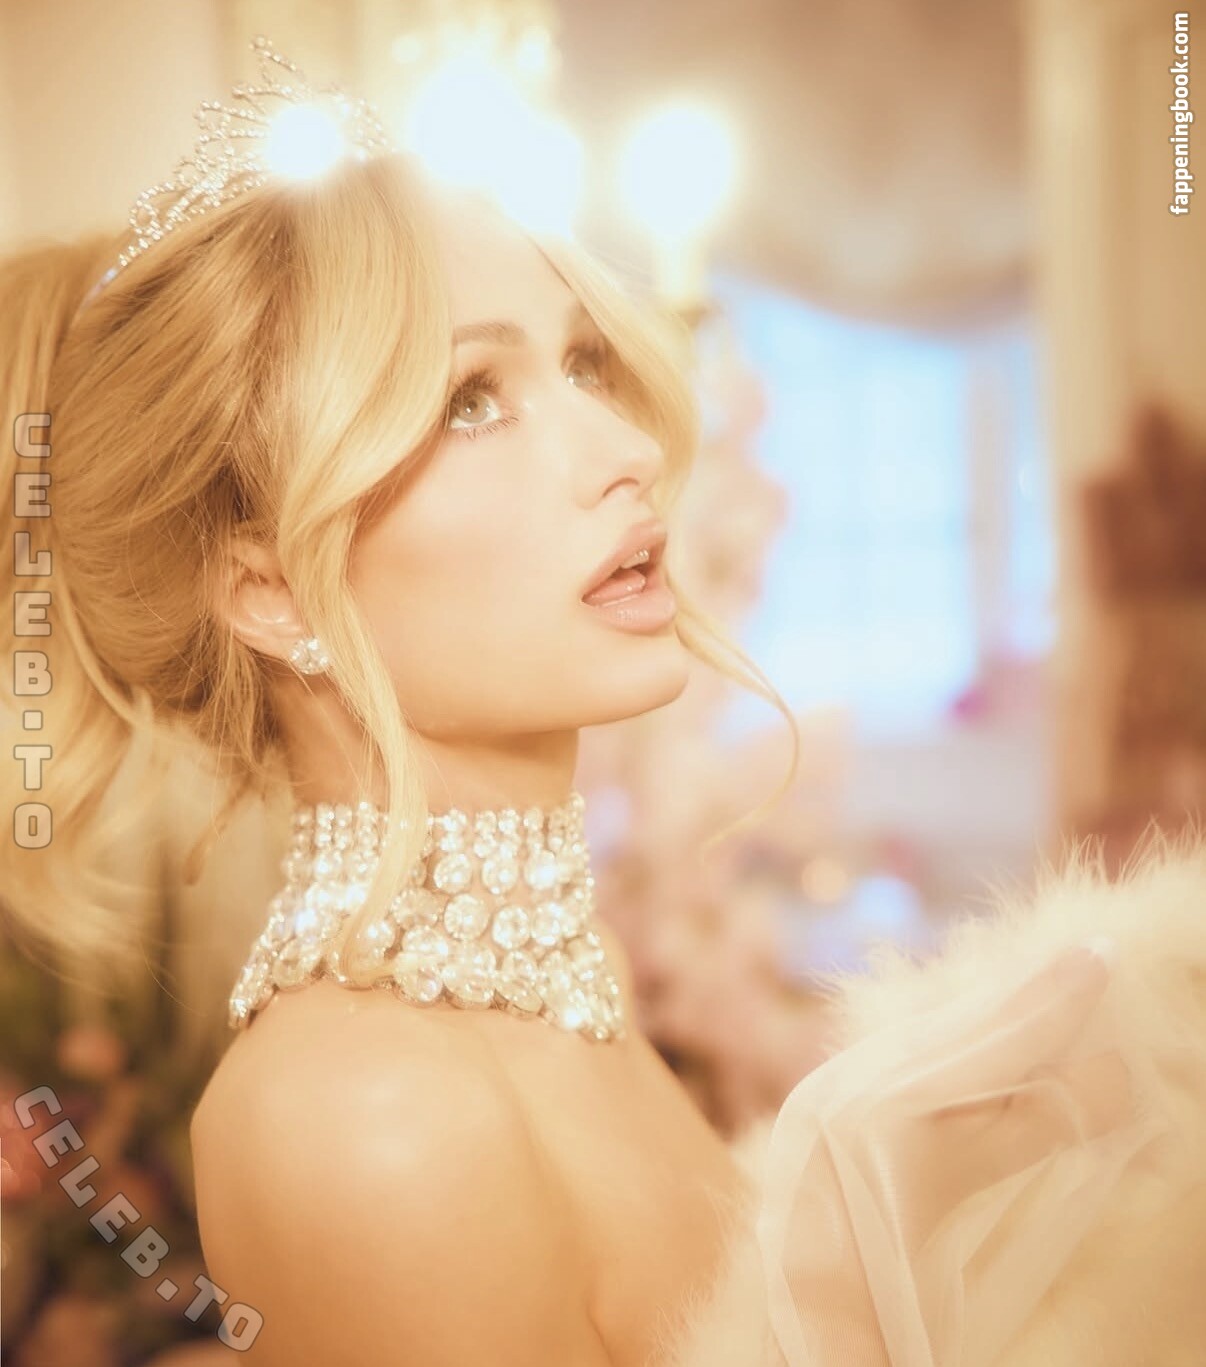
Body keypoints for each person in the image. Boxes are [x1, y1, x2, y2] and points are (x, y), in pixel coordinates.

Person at [4, 37, 1206, 1367]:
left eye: (581, 364)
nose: (631, 448)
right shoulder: (363, 1113)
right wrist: (861, 1302)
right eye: (472, 400)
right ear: (273, 591)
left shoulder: (562, 995)